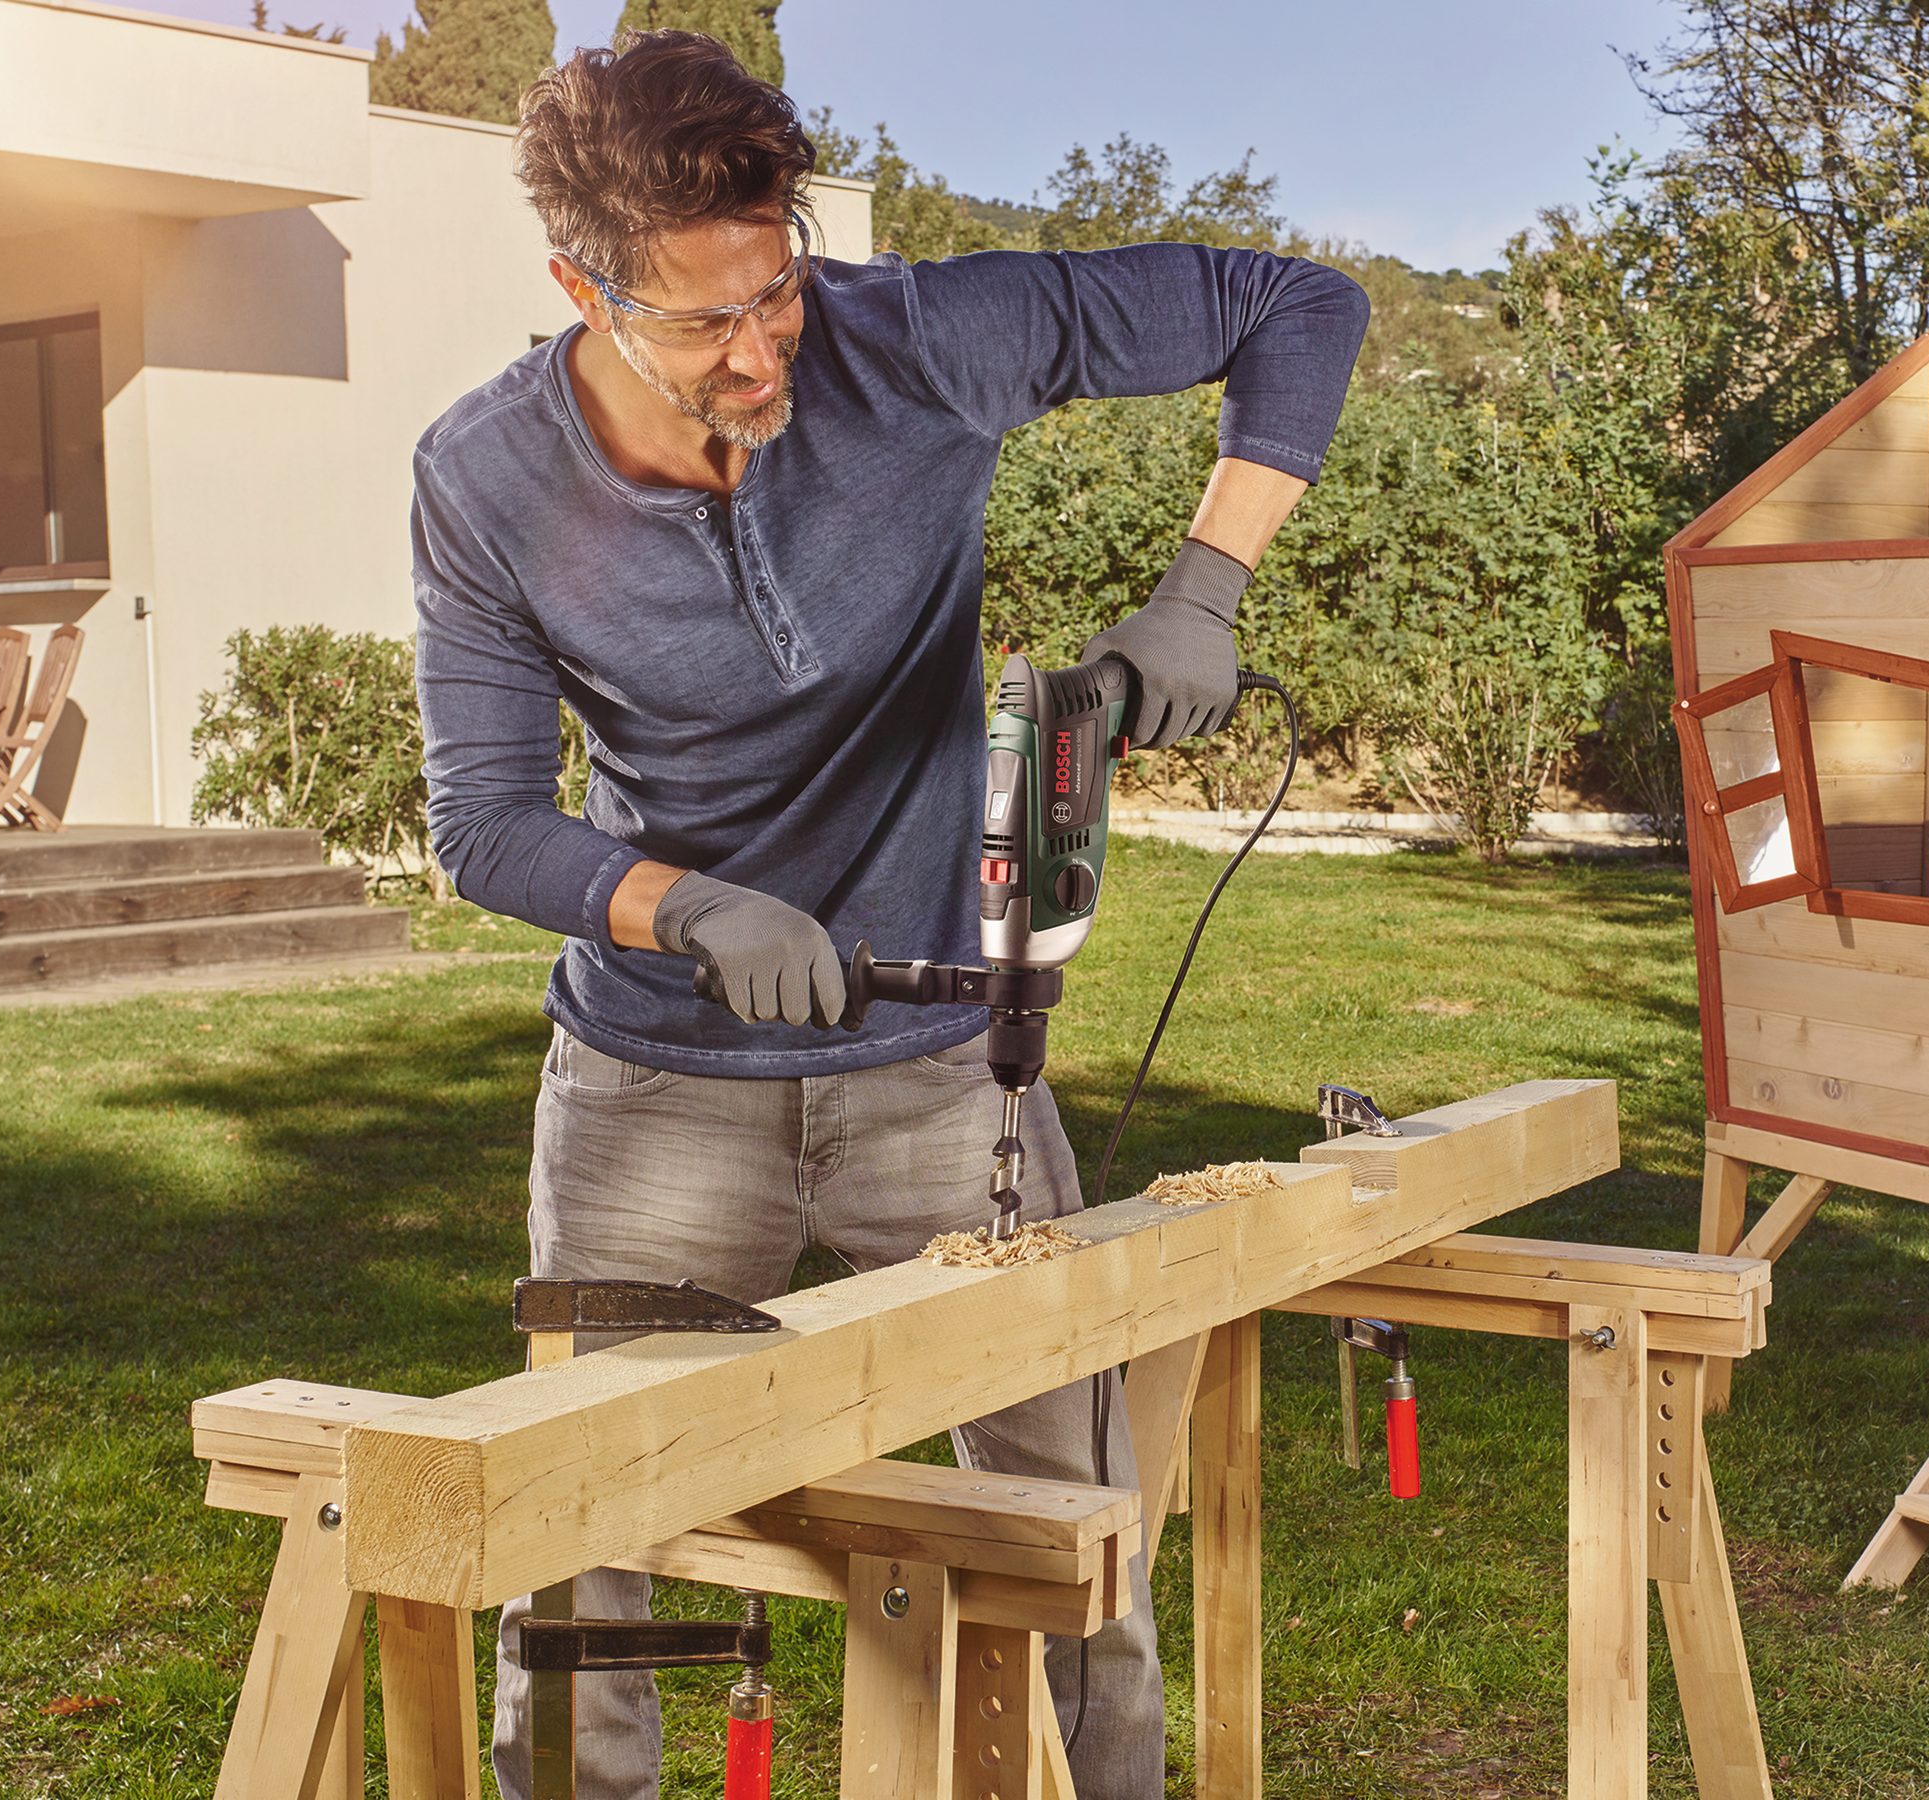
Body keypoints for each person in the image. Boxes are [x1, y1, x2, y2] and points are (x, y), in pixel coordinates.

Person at [409, 32, 1366, 1800]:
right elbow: (477, 822)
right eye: (704, 320)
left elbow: (1293, 304)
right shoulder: (485, 480)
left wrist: (1203, 589)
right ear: (578, 287)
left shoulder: (916, 340)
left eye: (775, 288)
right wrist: (678, 906)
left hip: (943, 1073)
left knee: (1071, 1538)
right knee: (584, 1557)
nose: (765, 346)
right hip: (651, 1096)